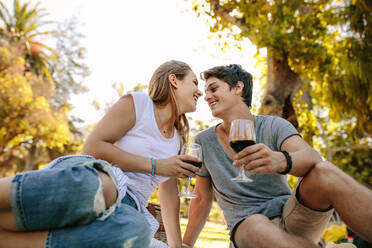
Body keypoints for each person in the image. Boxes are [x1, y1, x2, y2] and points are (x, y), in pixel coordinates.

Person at [0, 60, 202, 248]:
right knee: (100, 188)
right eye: (194, 82)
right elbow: (93, 146)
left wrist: (176, 246)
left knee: (136, 231)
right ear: (174, 80)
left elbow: (168, 194)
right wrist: (155, 165)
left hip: (129, 208)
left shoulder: (178, 139)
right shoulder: (139, 104)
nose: (200, 92)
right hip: (98, 177)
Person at [182, 64, 372, 248]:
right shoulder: (204, 141)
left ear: (238, 87)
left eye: (213, 89)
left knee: (325, 172)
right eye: (206, 92)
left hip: (291, 216)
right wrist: (186, 245)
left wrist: (281, 160)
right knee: (255, 225)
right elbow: (201, 198)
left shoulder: (274, 126)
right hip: (248, 228)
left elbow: (312, 157)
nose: (206, 97)